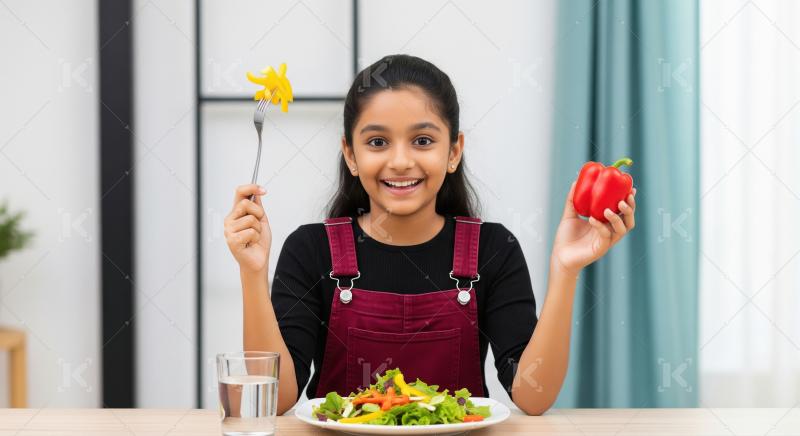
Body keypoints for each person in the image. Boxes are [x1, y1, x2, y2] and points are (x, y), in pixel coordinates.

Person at [224, 54, 637, 415]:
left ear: (453, 151)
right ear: (350, 154)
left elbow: (534, 397)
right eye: (378, 142)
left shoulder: (493, 249)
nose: (401, 161)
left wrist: (565, 271)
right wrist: (251, 273)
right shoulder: (310, 249)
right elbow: (276, 401)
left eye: (422, 140)